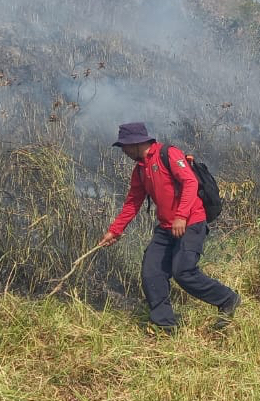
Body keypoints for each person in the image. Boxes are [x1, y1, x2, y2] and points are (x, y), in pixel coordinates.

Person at [98, 122, 240, 332]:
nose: (124, 151)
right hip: (166, 227)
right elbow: (132, 203)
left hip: (191, 222)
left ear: (137, 143)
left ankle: (227, 299)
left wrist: (181, 216)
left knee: (183, 271)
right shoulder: (139, 170)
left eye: (125, 146)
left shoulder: (168, 154)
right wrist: (115, 230)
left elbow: (190, 182)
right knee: (151, 272)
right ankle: (165, 325)